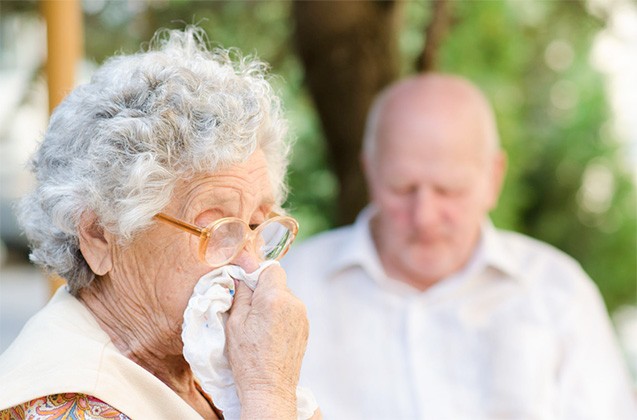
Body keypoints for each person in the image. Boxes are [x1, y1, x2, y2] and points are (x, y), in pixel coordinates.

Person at [0, 27, 319, 420]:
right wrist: (268, 392)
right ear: (100, 235)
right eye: (217, 229)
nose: (252, 264)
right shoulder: (63, 403)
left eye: (256, 225)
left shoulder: (209, 359)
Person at [282, 74, 637, 419]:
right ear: (371, 172)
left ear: (493, 178)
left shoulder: (559, 292)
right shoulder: (290, 288)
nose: (425, 217)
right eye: (402, 188)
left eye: (449, 190)